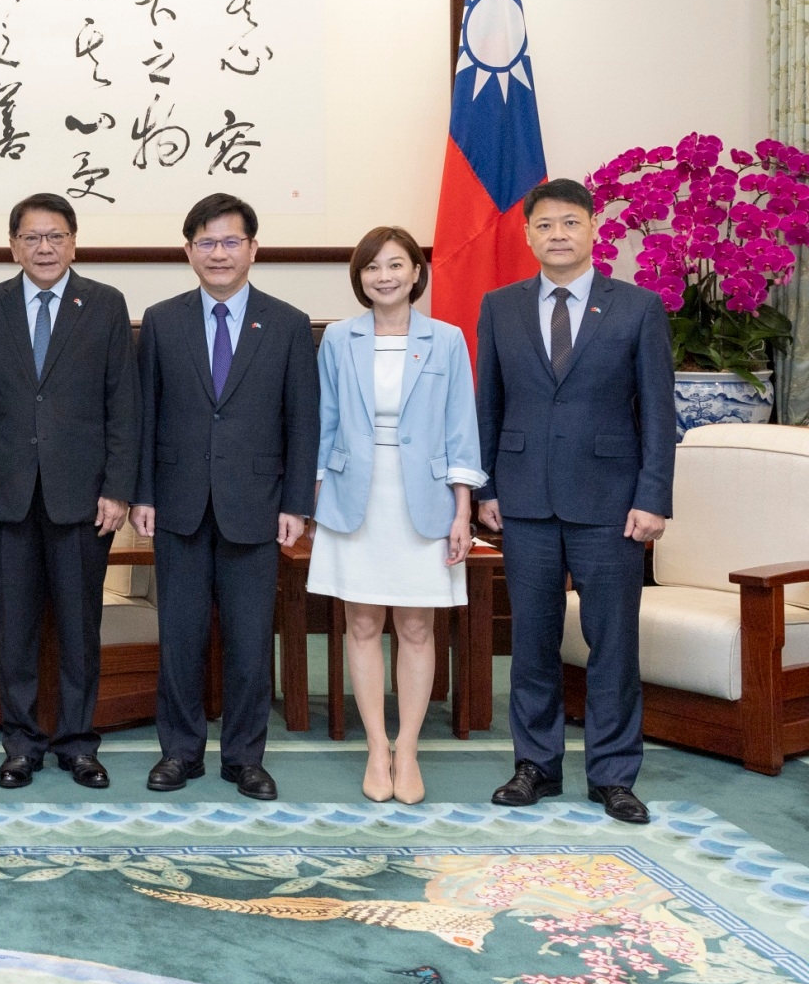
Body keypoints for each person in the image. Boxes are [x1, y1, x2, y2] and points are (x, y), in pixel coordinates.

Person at [476, 177, 675, 826]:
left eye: (570, 222)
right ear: (527, 233)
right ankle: (535, 764)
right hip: (525, 497)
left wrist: (653, 497)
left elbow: (657, 410)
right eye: (545, 225)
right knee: (530, 637)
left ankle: (614, 773)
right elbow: (490, 405)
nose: (557, 234)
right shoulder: (499, 305)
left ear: (594, 228)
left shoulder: (636, 308)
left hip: (612, 502)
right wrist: (486, 487)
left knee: (611, 641)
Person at [132, 192, 318, 802]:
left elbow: (302, 422)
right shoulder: (160, 321)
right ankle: (179, 753)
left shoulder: (287, 323)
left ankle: (245, 758)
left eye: (230, 241)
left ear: (253, 249)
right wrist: (143, 493)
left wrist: (296, 504)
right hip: (179, 504)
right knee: (179, 638)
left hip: (257, 506)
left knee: (247, 641)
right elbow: (145, 414)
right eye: (206, 242)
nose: (218, 253)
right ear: (188, 251)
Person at [0, 192, 138, 791]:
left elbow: (124, 404)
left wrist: (118, 488)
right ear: (13, 244)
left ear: (73, 240)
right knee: (15, 626)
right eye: (32, 237)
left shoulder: (106, 305)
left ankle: (76, 742)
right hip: (8, 493)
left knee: (78, 624)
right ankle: (21, 743)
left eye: (56, 235)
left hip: (84, 497)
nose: (44, 247)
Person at [309, 228, 485, 805]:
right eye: (371, 268)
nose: (383, 276)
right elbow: (324, 422)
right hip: (353, 495)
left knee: (416, 626)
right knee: (361, 624)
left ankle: (408, 748)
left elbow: (462, 430)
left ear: (415, 273)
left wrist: (464, 512)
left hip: (425, 499)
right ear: (359, 278)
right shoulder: (338, 338)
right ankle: (375, 746)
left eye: (395, 265)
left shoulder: (447, 339)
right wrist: (313, 504)